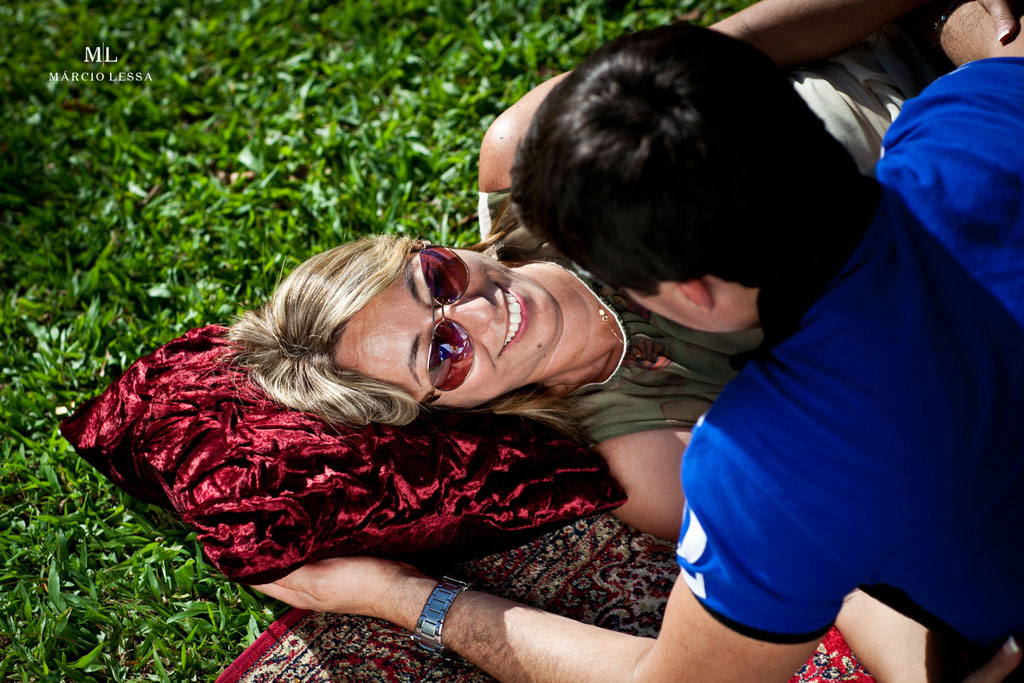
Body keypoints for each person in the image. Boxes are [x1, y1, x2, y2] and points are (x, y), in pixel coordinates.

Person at [241, 3, 1023, 682]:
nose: (478, 311)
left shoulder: (760, 467)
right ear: (451, 411)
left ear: (693, 294)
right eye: (443, 353)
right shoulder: (965, 117)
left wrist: (405, 598)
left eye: (439, 277)